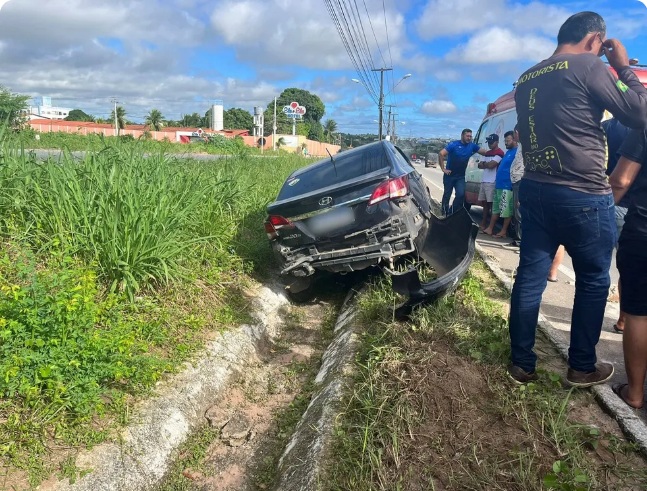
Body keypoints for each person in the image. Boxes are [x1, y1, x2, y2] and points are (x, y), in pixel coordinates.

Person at [508, 11, 647, 386]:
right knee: (592, 280)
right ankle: (581, 366)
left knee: (530, 277)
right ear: (594, 40)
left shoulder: (527, 76)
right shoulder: (589, 65)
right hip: (583, 193)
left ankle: (521, 363)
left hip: (536, 190)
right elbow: (640, 113)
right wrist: (621, 68)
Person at [609, 129, 647, 409]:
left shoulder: (643, 128)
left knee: (638, 313)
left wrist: (600, 209)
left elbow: (621, 180)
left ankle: (634, 393)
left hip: (643, 230)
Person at [602, 117, 632, 333]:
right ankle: (624, 319)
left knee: (603, 263)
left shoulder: (606, 127)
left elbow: (619, 180)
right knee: (632, 269)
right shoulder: (640, 126)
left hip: (613, 200)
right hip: (636, 206)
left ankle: (623, 319)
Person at [438, 129, 487, 215]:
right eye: (467, 136)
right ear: (462, 136)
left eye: (470, 136)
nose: (469, 138)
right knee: (447, 195)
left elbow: (484, 152)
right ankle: (444, 213)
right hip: (449, 175)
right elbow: (441, 154)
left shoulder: (472, 146)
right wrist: (443, 169)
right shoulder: (453, 144)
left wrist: (496, 152)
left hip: (460, 176)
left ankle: (451, 212)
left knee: (460, 195)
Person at [483, 131, 516, 238]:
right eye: (505, 140)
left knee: (506, 209)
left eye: (508, 140)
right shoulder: (508, 152)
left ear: (515, 139)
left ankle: (503, 231)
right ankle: (490, 228)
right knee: (496, 209)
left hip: (507, 185)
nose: (506, 143)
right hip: (499, 185)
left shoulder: (517, 152)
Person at [477, 134, 504, 230]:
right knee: (484, 204)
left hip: (492, 181)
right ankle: (483, 223)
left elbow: (492, 165)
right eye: (488, 142)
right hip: (484, 181)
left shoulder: (500, 152)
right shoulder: (488, 153)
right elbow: (479, 165)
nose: (489, 144)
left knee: (492, 205)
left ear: (497, 142)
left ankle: (491, 227)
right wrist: (486, 164)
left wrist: (485, 164)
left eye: (491, 142)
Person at [504, 127, 525, 249]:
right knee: (516, 212)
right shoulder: (521, 146)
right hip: (516, 180)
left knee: (519, 211)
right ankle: (517, 239)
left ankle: (520, 241)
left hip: (520, 180)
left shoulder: (525, 146)